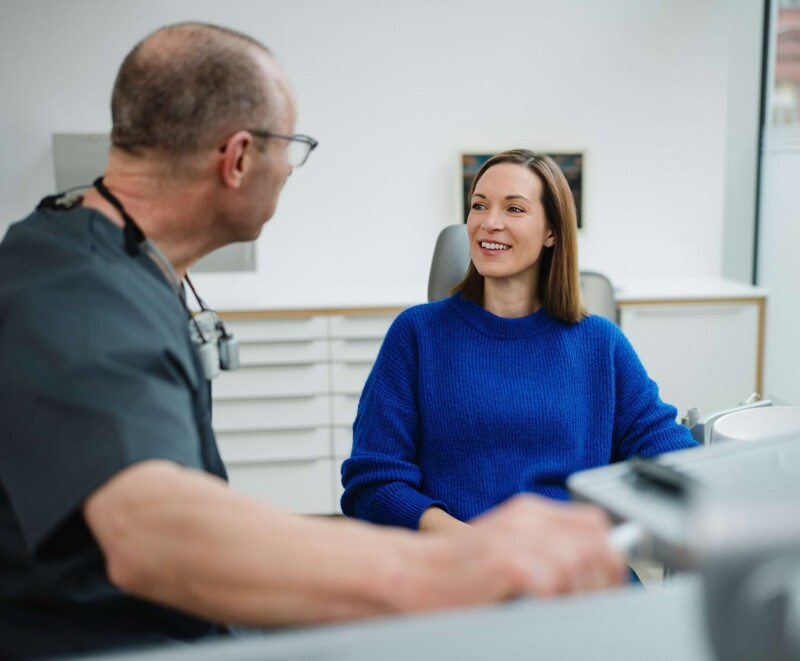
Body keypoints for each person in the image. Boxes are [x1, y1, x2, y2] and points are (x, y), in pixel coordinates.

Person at [0, 24, 626, 660]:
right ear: (239, 158)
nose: (291, 169)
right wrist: (453, 568)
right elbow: (151, 533)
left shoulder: (127, 270)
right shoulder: (80, 294)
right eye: (291, 147)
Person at [341, 150, 697, 534]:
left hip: (569, 568)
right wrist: (473, 546)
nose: (489, 223)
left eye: (514, 209)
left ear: (552, 232)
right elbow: (373, 482)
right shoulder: (416, 335)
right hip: (458, 567)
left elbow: (671, 455)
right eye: (479, 206)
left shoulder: (601, 344)